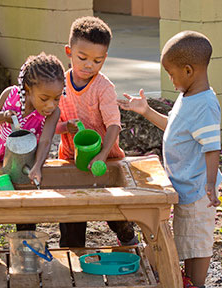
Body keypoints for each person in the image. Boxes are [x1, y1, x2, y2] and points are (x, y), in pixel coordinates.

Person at [118, 31, 222, 288]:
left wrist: (210, 184)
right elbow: (175, 128)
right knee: (186, 234)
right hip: (187, 184)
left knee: (198, 238)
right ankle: (189, 280)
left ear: (189, 70)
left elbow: (212, 148)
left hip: (200, 187)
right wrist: (146, 111)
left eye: (172, 73)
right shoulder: (188, 96)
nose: (170, 79)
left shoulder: (205, 105)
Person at [47, 16, 137, 248]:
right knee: (72, 212)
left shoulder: (104, 88)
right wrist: (65, 128)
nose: (89, 65)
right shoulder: (58, 84)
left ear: (105, 58)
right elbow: (48, 125)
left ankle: (127, 236)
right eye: (82, 58)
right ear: (69, 51)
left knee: (114, 209)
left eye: (97, 61)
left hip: (107, 158)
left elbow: (114, 125)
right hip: (70, 158)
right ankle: (72, 250)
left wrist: (102, 155)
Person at [0, 52, 65, 240]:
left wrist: (37, 166)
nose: (51, 104)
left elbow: (45, 140)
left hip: (25, 167)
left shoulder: (51, 113)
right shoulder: (10, 94)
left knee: (26, 218)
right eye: (45, 99)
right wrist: (3, 116)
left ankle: (25, 254)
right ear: (27, 89)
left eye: (57, 98)